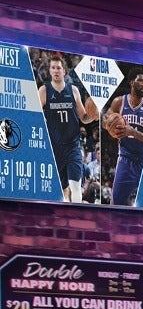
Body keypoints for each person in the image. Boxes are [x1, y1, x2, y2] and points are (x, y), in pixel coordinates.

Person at [40, 54, 99, 202]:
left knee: (76, 186)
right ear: (50, 71)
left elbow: (83, 117)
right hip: (54, 147)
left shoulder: (73, 91)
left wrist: (92, 116)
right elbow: (35, 117)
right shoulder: (44, 91)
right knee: (59, 191)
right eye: (53, 68)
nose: (56, 70)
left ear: (64, 71)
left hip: (73, 146)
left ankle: (78, 215)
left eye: (58, 68)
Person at [104, 70, 143, 207]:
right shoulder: (119, 102)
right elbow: (105, 121)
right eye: (140, 81)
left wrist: (132, 132)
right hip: (126, 160)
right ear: (132, 82)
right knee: (115, 203)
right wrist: (109, 124)